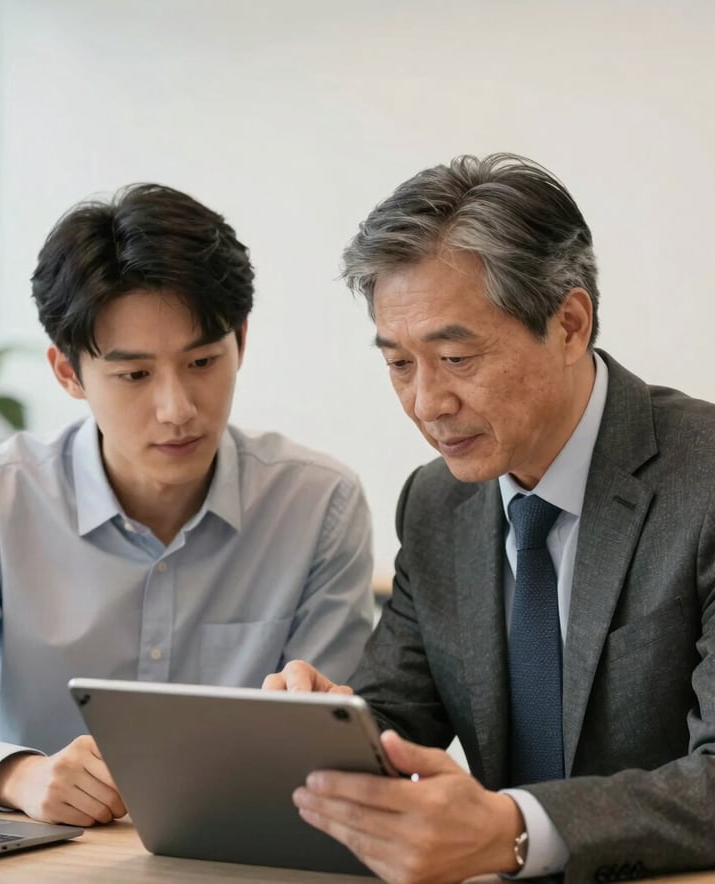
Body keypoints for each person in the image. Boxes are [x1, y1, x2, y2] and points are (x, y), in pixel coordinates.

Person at [264, 154, 715, 883]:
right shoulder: (438, 501)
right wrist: (328, 731)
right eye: (399, 365)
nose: (426, 403)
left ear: (569, 324)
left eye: (455, 356)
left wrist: (516, 829)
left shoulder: (704, 482)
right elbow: (396, 712)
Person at [0, 183, 374, 827]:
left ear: (242, 343)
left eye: (203, 360)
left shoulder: (319, 505)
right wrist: (17, 773)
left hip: (246, 853)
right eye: (134, 375)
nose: (178, 409)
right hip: (54, 859)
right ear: (68, 373)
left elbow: (333, 739)